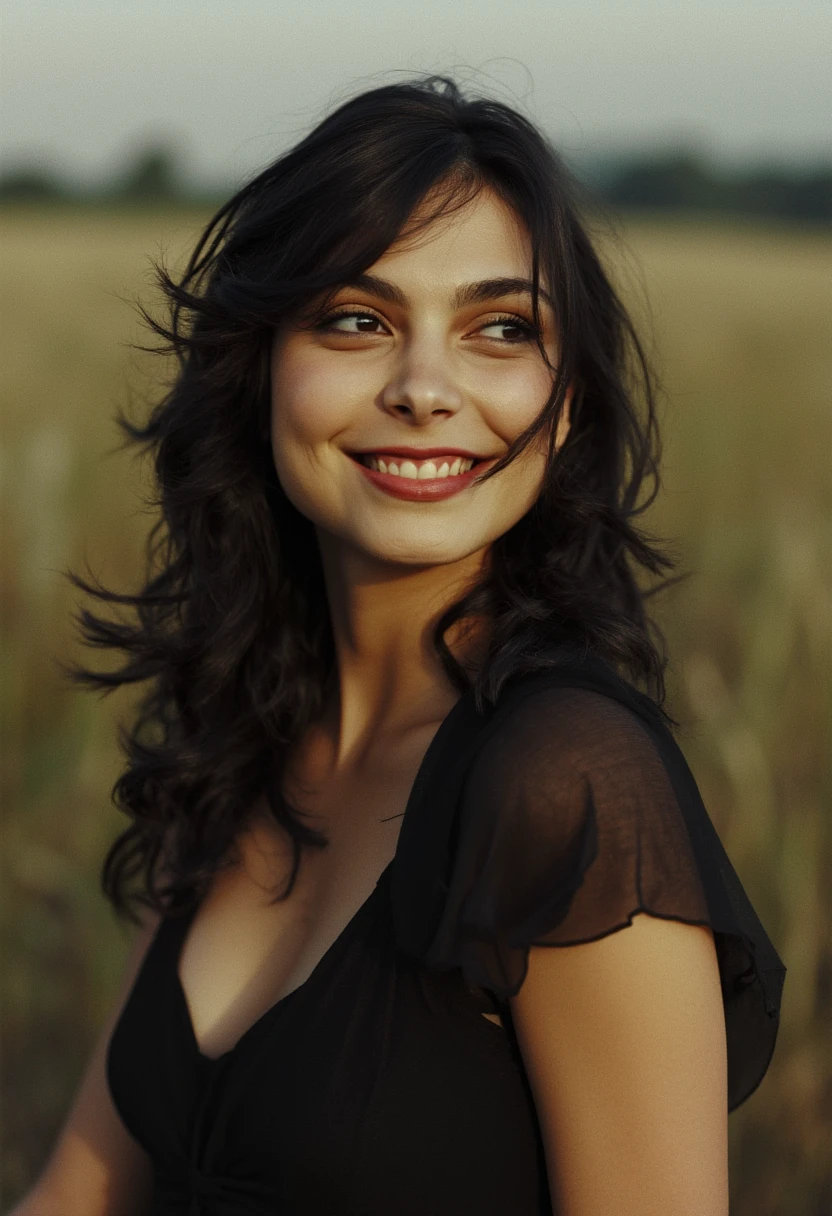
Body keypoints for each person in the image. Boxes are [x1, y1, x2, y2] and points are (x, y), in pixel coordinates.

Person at [13, 77, 785, 1216]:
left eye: (500, 329)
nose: (426, 388)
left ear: (564, 404)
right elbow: (75, 1197)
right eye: (357, 319)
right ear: (263, 364)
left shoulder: (565, 785)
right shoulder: (243, 744)